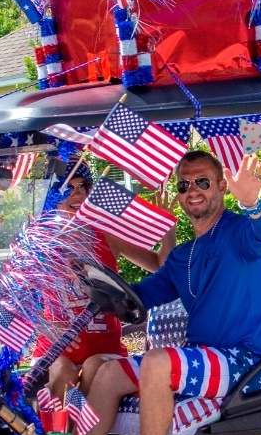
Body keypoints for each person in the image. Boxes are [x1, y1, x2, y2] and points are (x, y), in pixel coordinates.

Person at [71, 151, 261, 435]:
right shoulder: (184, 254)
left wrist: (252, 202)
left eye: (202, 182)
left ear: (220, 187)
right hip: (207, 360)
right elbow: (143, 296)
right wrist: (94, 289)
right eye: (184, 185)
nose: (192, 191)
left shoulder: (239, 233)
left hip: (251, 362)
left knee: (157, 361)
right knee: (103, 371)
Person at [35, 168, 175, 405]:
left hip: (104, 352)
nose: (77, 195)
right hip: (57, 352)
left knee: (93, 367)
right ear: (52, 194)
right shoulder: (38, 243)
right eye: (68, 188)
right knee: (61, 374)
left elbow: (160, 266)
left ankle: (85, 431)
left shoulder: (108, 235)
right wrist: (47, 325)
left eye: (83, 187)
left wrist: (168, 229)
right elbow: (12, 302)